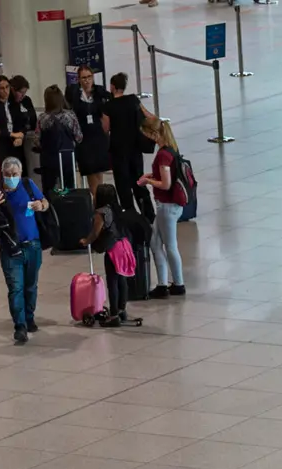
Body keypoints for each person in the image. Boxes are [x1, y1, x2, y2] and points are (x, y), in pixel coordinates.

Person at [0, 157, 50, 345]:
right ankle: (20, 326)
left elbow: (45, 202)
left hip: (32, 244)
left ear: (20, 173)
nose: (11, 178)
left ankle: (29, 316)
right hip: (10, 248)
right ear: (2, 174)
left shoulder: (28, 185)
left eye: (14, 174)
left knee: (30, 285)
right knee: (15, 288)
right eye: (7, 175)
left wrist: (40, 206)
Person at [136, 117, 187, 298]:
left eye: (148, 134)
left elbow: (165, 184)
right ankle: (163, 284)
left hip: (167, 206)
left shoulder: (163, 155)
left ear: (155, 134)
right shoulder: (171, 150)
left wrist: (148, 181)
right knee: (155, 242)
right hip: (167, 207)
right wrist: (152, 175)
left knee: (170, 245)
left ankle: (178, 283)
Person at [89, 186, 135, 326]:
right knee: (122, 279)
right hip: (125, 246)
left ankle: (113, 315)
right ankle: (122, 310)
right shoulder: (118, 209)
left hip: (113, 249)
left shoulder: (101, 212)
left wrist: (86, 240)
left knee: (112, 282)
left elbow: (95, 233)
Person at [104, 74, 148, 217]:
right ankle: (148, 214)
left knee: (123, 185)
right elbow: (147, 115)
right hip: (135, 148)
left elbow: (106, 128)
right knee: (139, 182)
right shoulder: (133, 100)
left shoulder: (108, 106)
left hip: (118, 151)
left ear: (112, 86)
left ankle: (130, 215)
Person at [67, 65, 113, 199]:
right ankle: (98, 204)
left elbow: (109, 103)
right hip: (84, 137)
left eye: (89, 77)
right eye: (83, 78)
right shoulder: (74, 93)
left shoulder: (99, 91)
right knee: (91, 174)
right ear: (79, 79)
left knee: (99, 173)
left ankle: (101, 203)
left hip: (98, 136)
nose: (87, 80)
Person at [37, 85, 80, 194]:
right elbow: (79, 137)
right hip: (67, 157)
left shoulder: (42, 118)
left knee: (49, 189)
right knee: (69, 188)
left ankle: (51, 209)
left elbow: (37, 140)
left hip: (48, 158)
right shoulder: (70, 116)